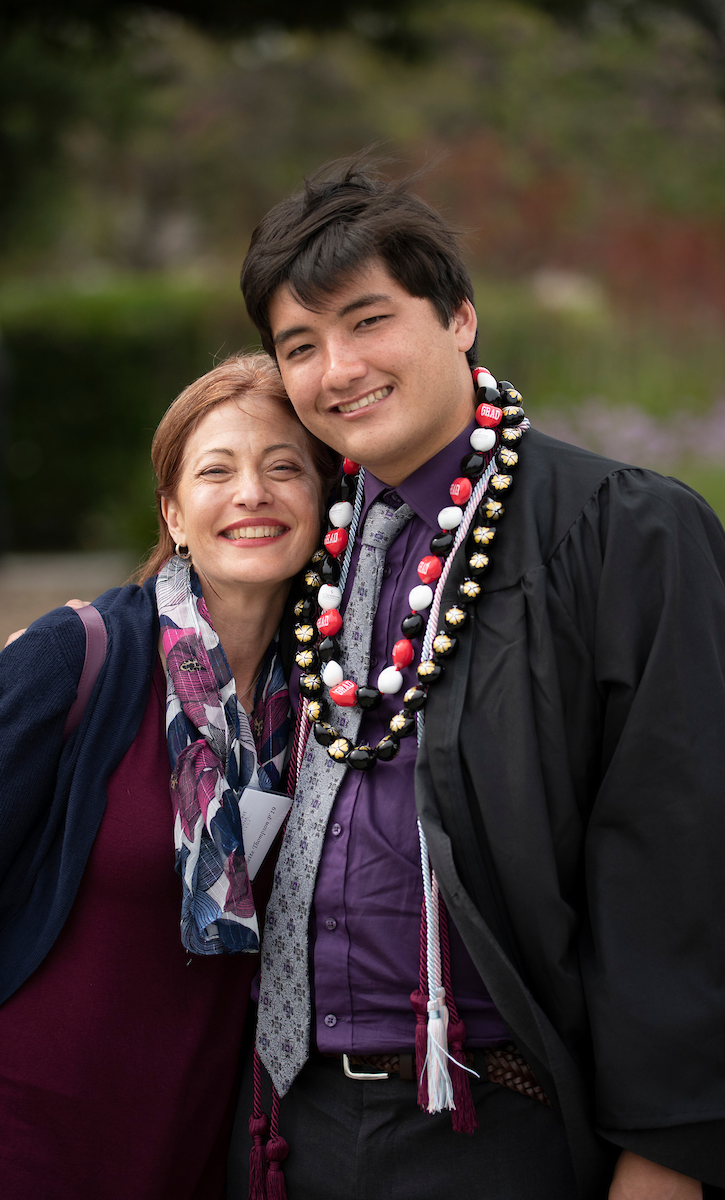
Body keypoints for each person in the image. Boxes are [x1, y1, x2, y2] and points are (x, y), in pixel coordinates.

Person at [226, 163, 725, 1198]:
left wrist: (668, 1156)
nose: (338, 368)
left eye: (368, 321)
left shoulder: (621, 533)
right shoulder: (305, 542)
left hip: (505, 1119)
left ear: (458, 316)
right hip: (293, 1124)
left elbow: (679, 858)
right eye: (299, 346)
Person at [0, 353, 338, 1200]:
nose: (252, 493)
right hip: (17, 1137)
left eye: (284, 467)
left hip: (187, 1144)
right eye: (216, 470)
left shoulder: (327, 706)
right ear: (174, 513)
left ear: (323, 502)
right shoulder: (71, 658)